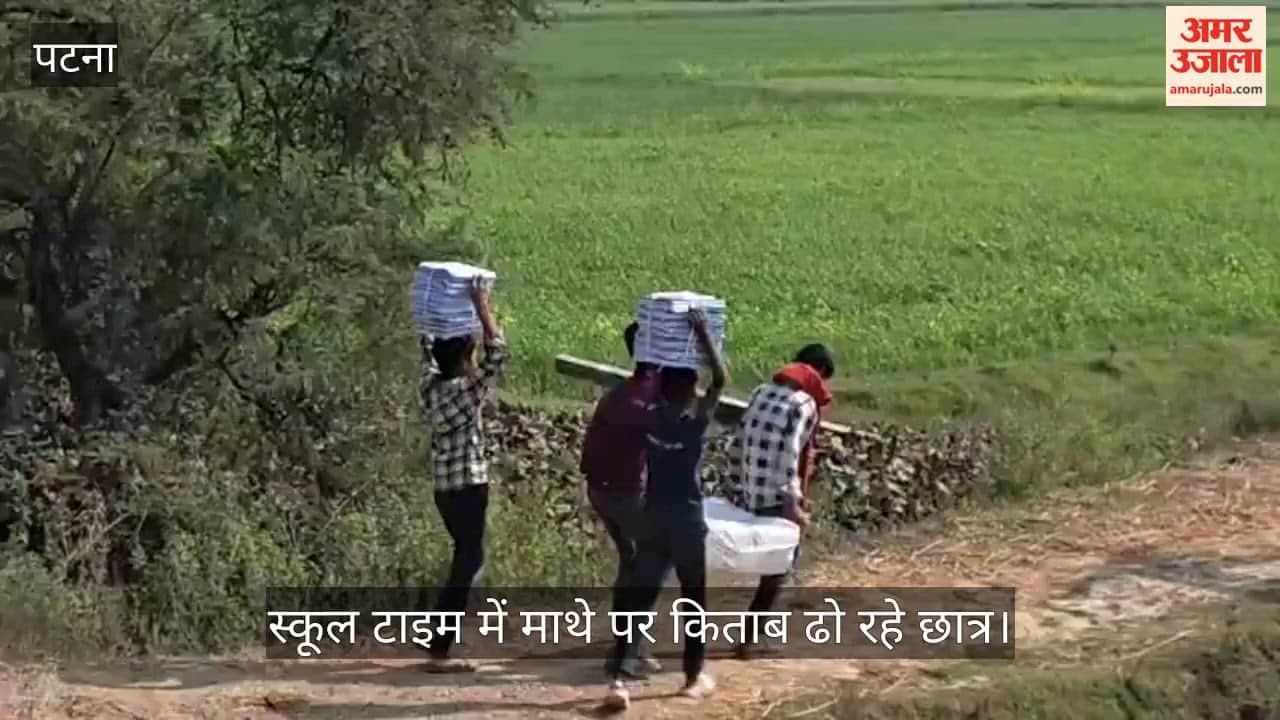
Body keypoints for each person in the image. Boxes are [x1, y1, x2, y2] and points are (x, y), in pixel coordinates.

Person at [604, 309, 728, 710]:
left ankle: (620, 680)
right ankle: (693, 678)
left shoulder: (651, 416)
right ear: (692, 389)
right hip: (687, 520)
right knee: (693, 599)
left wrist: (655, 340)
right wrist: (704, 333)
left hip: (652, 516)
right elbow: (721, 379)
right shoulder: (693, 423)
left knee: (641, 597)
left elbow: (658, 379)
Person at [418, 277, 508, 673]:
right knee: (469, 559)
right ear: (461, 357)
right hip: (470, 485)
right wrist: (480, 303)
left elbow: (427, 349)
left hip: (444, 488)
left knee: (465, 556)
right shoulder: (464, 392)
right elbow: (498, 354)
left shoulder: (430, 387)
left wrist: (435, 315)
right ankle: (439, 643)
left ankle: (439, 633)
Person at [724, 343, 834, 660]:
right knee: (778, 568)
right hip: (776, 496)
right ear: (819, 374)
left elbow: (739, 439)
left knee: (759, 564)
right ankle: (749, 640)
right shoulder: (804, 404)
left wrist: (734, 485)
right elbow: (791, 453)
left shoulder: (760, 391)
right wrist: (793, 501)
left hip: (748, 490)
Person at [579, 322, 663, 678]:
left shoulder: (619, 393)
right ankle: (631, 653)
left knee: (631, 562)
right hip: (627, 493)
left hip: (600, 489)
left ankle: (624, 647)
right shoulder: (651, 398)